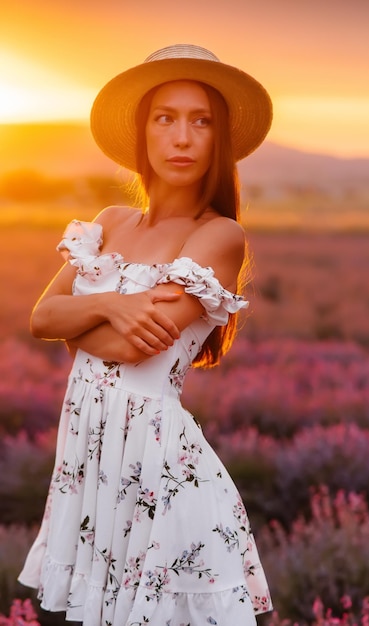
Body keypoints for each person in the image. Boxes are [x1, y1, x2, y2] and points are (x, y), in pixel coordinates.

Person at [18, 44, 273, 626]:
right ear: (143, 134)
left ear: (218, 140)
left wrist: (82, 323)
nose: (182, 137)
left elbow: (132, 346)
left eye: (200, 121)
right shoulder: (108, 222)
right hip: (91, 460)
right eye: (165, 118)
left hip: (157, 466)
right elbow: (40, 318)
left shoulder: (218, 235)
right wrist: (112, 302)